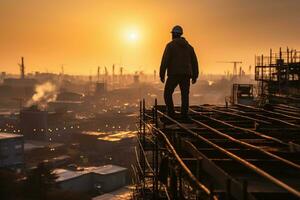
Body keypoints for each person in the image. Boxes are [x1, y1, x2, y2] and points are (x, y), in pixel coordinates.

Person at [159, 25, 199, 119]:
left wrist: (162, 74)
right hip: (186, 75)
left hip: (174, 74)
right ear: (180, 34)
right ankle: (184, 115)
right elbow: (194, 62)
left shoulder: (170, 46)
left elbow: (165, 60)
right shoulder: (189, 47)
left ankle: (171, 113)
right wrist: (195, 76)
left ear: (173, 34)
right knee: (185, 95)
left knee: (167, 93)